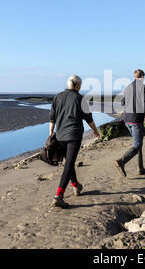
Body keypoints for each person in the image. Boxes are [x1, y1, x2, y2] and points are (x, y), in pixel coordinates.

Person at [49, 75, 100, 208]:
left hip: (60, 136)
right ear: (77, 85)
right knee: (69, 164)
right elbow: (88, 118)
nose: (80, 87)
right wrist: (95, 130)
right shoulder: (80, 98)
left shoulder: (57, 96)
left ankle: (76, 185)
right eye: (80, 85)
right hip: (73, 136)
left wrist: (51, 133)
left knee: (69, 162)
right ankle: (58, 196)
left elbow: (52, 118)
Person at [115, 69, 145, 177]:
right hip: (135, 120)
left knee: (138, 143)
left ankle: (140, 168)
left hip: (126, 119)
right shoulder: (143, 87)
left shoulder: (128, 87)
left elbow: (123, 102)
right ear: (141, 77)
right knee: (137, 145)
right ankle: (121, 162)